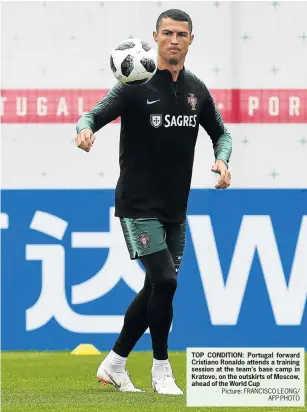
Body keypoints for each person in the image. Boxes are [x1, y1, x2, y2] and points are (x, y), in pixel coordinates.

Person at [75, 8, 232, 395]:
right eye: (167, 33)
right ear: (155, 37)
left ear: (191, 40)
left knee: (156, 288)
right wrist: (84, 130)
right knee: (165, 279)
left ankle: (114, 363)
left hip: (175, 209)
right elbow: (92, 115)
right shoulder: (135, 83)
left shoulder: (197, 90)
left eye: (181, 34)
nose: (174, 40)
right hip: (137, 205)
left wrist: (222, 160)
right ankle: (162, 370)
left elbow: (222, 134)